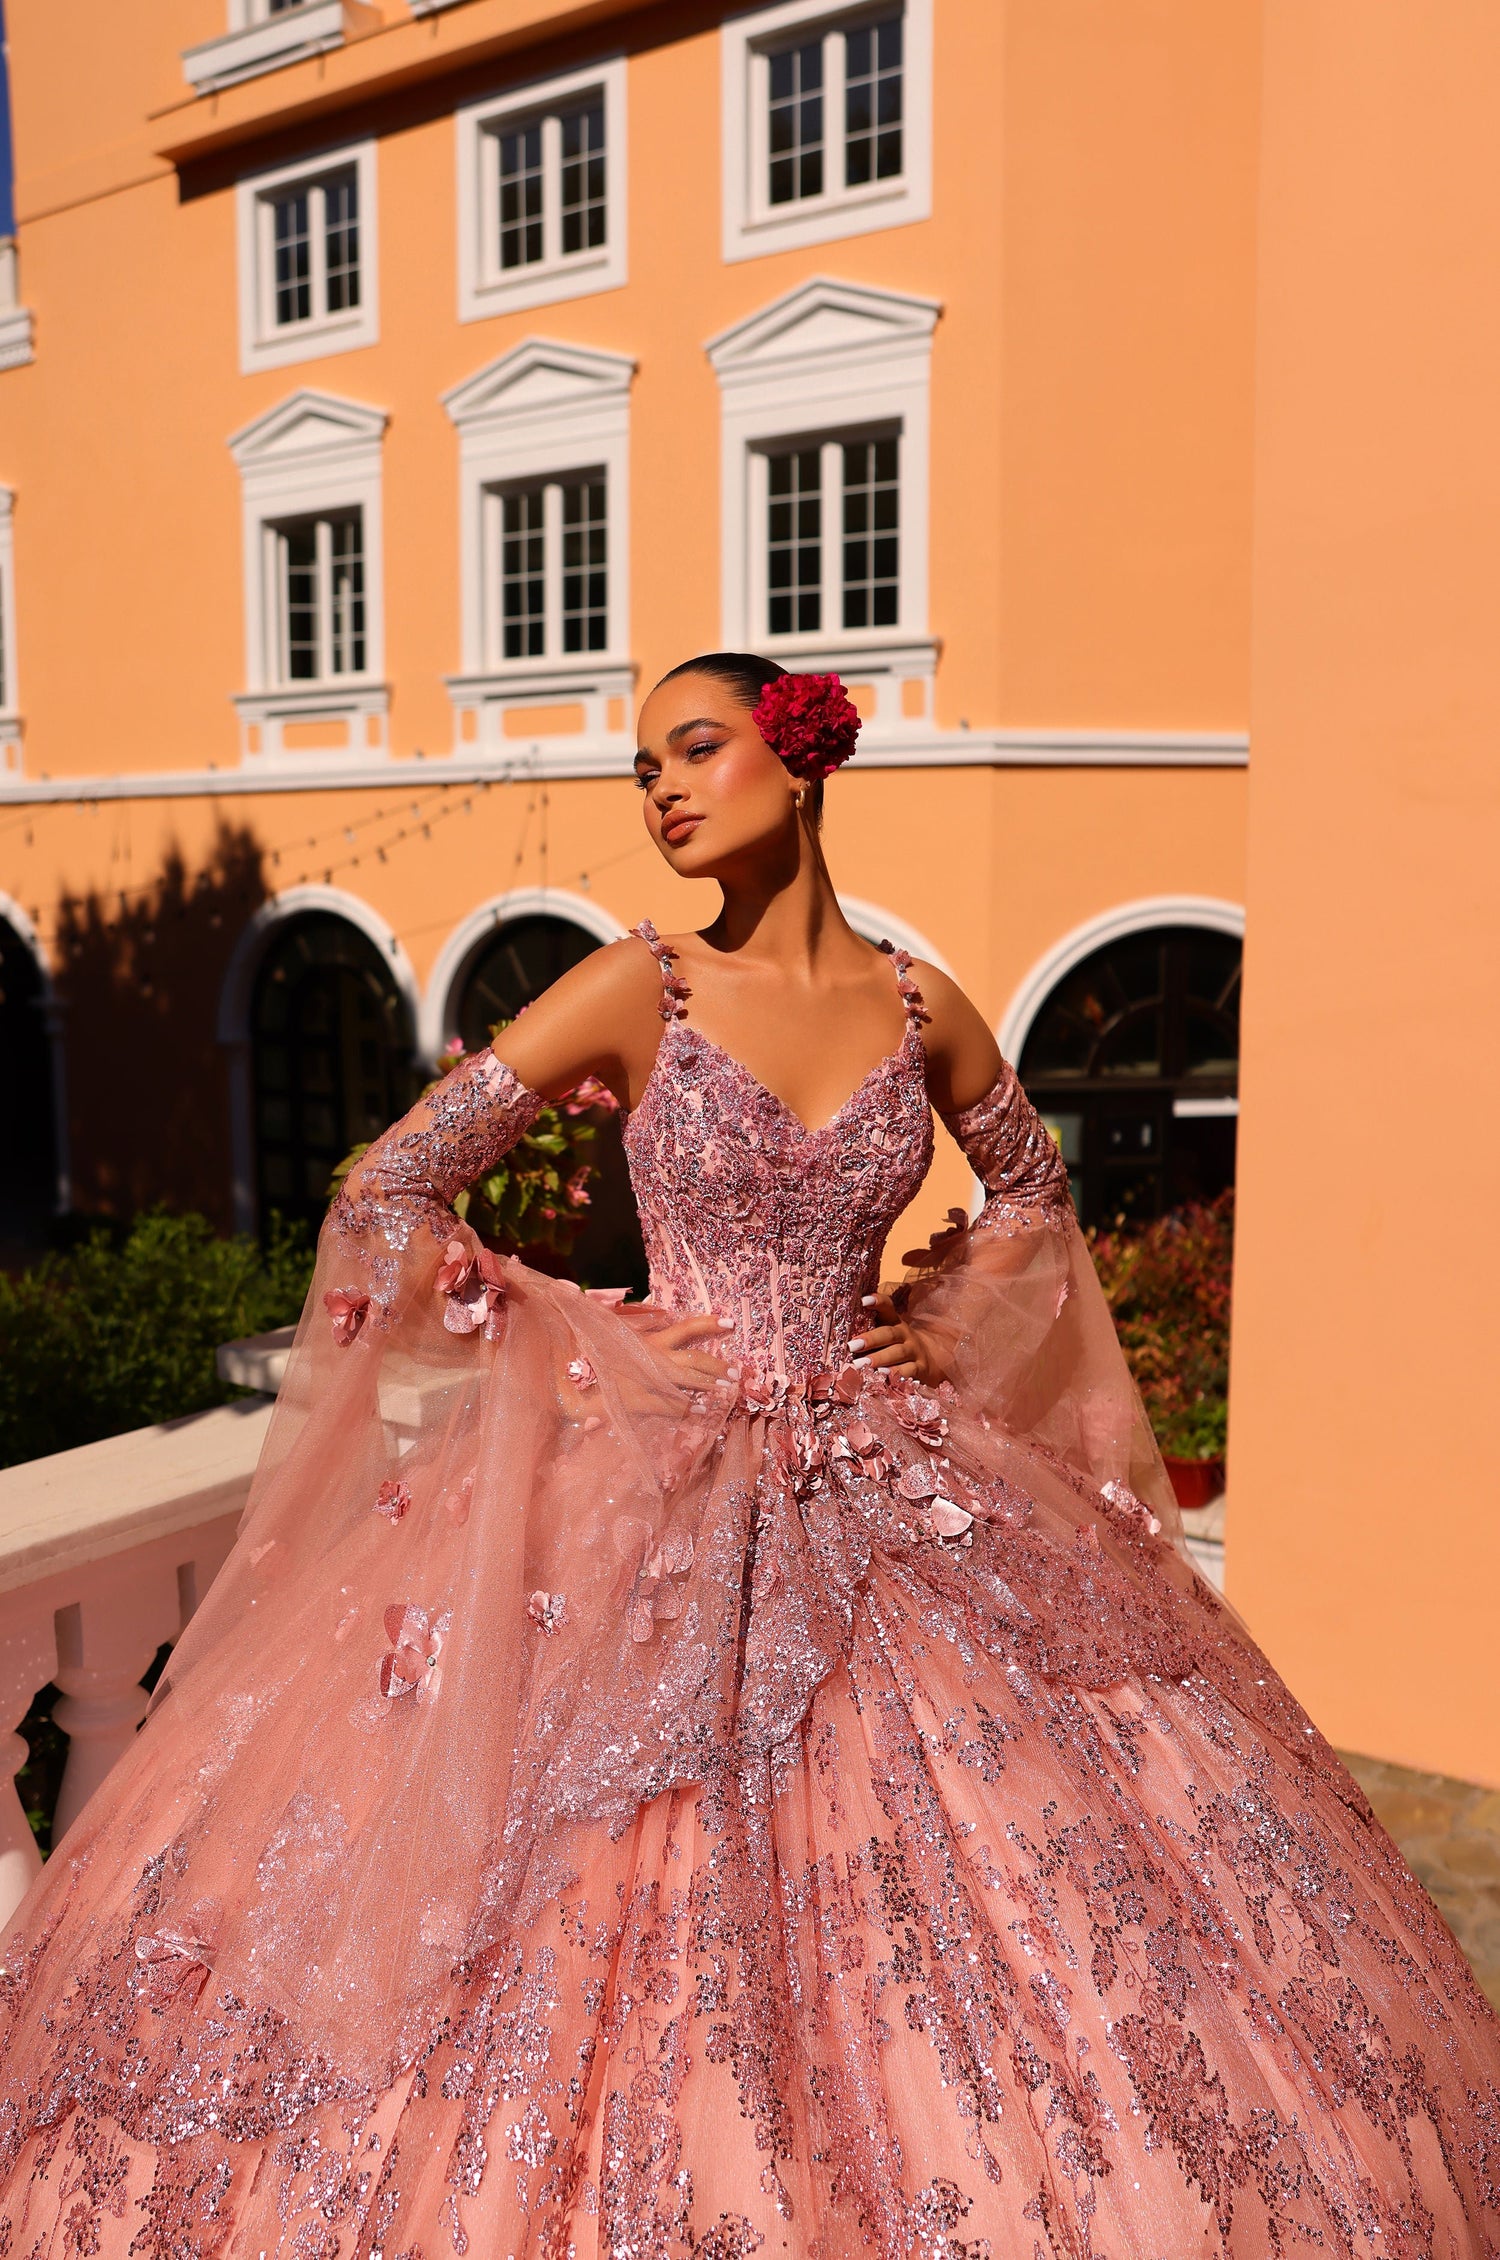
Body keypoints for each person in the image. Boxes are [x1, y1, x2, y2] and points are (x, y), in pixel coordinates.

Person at [2, 655, 1497, 2260]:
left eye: (696, 747)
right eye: (645, 764)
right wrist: (579, 1329)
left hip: (893, 1490)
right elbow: (391, 1185)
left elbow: (1033, 1193)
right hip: (658, 1492)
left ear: (799, 761)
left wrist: (940, 1329)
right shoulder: (637, 985)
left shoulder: (920, 1004)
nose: (661, 786)